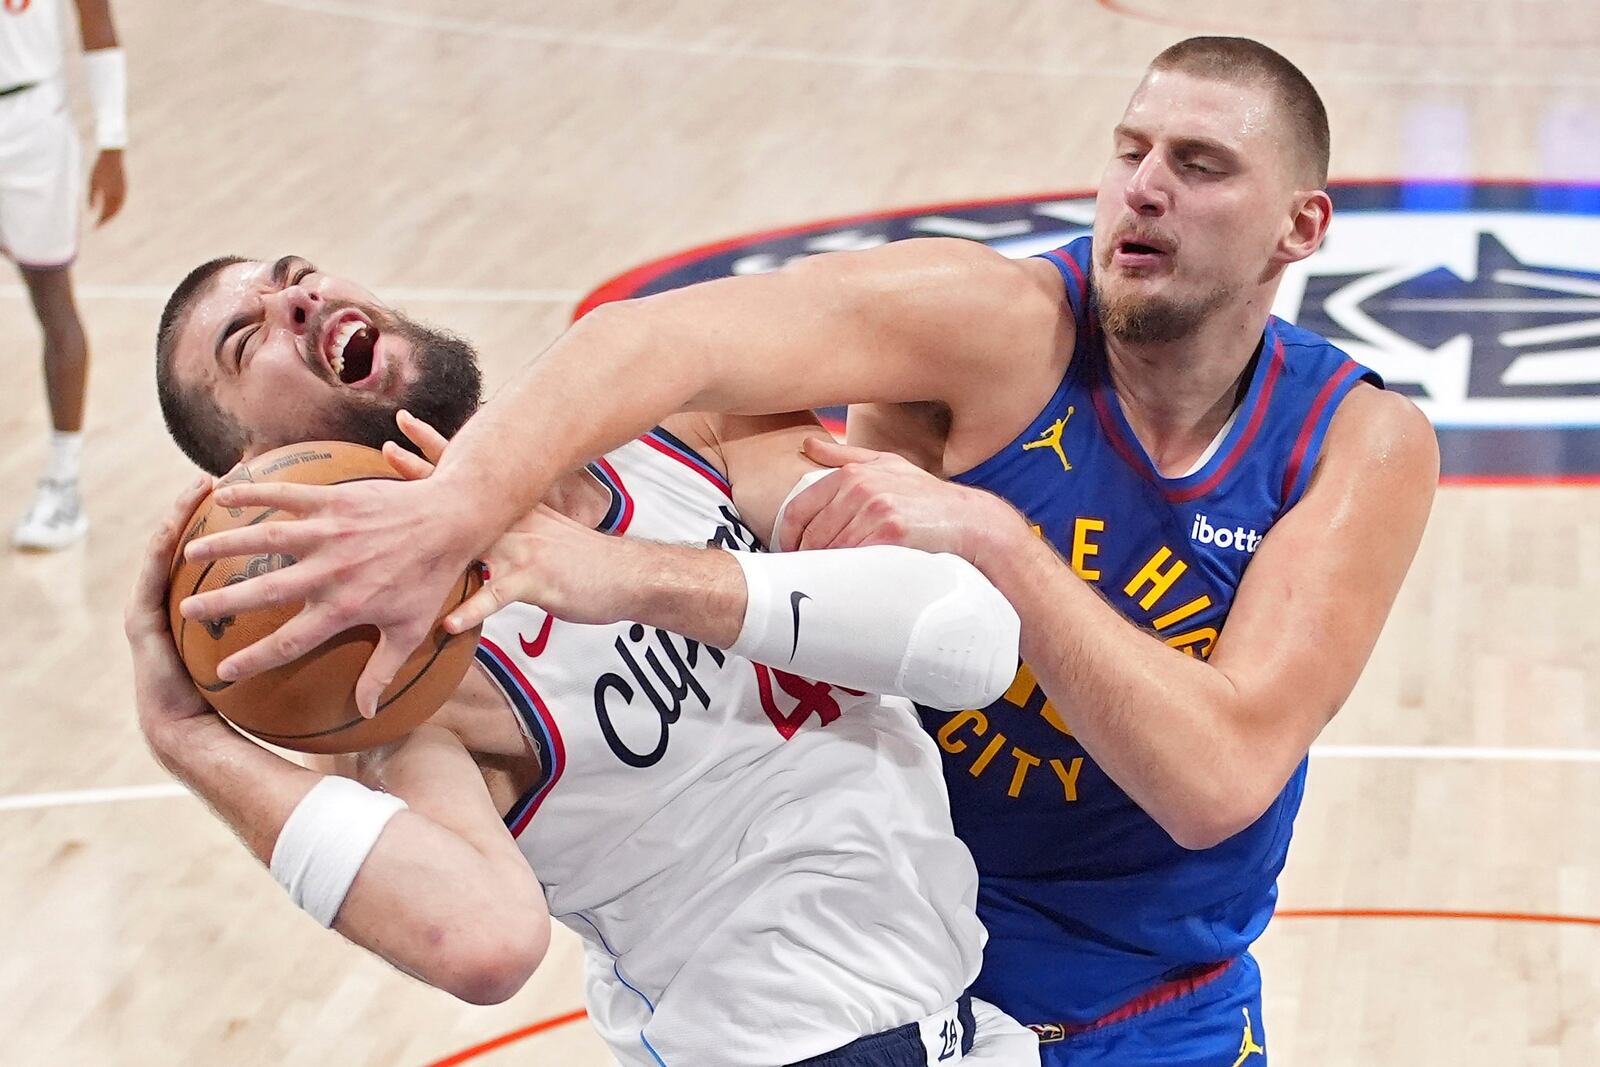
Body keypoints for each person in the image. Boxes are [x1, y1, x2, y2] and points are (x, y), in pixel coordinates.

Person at [180, 37, 1441, 1064]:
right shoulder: (994, 323)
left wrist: (954, 532)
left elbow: (1198, 767)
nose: (1144, 185)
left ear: (1299, 224)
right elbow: (481, 939)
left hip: (1127, 1002)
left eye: (1199, 163)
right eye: (1127, 153)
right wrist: (192, 713)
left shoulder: (1352, 441)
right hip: (853, 1012)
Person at [140, 253, 1041, 1066]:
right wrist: (186, 736)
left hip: (965, 1017)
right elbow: (482, 940)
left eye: (295, 275)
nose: (294, 300)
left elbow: (971, 644)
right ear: (254, 472)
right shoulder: (386, 670)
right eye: (245, 337)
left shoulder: (676, 425)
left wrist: (629, 577)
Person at [3, 0, 128, 549]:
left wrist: (112, 140)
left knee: (52, 301)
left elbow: (96, 26)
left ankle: (63, 483)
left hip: (31, 129)